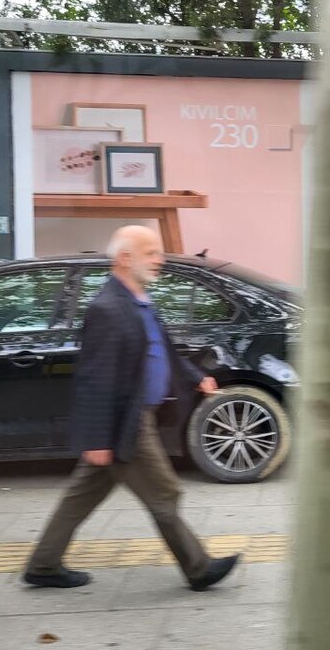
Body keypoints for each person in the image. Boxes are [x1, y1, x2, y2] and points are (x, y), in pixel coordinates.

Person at [23, 224, 240, 591]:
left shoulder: (138, 301)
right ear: (125, 258)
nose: (160, 260)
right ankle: (198, 568)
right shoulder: (108, 309)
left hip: (136, 414)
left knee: (83, 493)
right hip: (127, 420)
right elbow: (94, 378)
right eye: (151, 253)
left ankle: (43, 565)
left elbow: (161, 349)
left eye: (158, 252)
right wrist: (96, 439)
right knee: (164, 492)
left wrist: (194, 377)